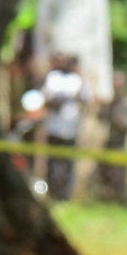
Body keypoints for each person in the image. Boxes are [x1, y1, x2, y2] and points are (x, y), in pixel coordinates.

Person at [41, 53, 90, 201]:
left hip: (71, 129)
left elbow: (87, 100)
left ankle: (65, 196)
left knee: (68, 164)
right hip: (54, 128)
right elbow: (44, 99)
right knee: (53, 163)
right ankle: (53, 194)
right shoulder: (53, 78)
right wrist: (56, 101)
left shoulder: (78, 80)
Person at [93, 70, 127, 205]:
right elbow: (100, 118)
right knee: (104, 175)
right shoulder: (109, 103)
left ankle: (123, 203)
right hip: (108, 144)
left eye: (119, 81)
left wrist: (118, 119)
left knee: (120, 177)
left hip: (121, 145)